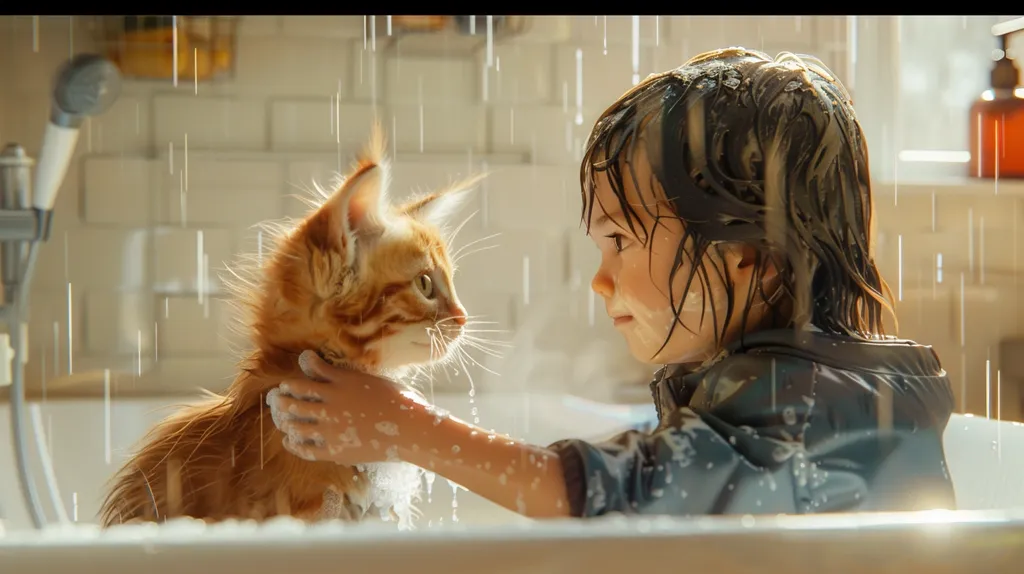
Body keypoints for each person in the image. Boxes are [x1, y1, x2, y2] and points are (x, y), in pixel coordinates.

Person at [268, 48, 957, 519]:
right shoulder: (816, 393)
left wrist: (409, 429)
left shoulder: (803, 413)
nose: (600, 281)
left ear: (748, 254)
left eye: (621, 242)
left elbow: (606, 494)